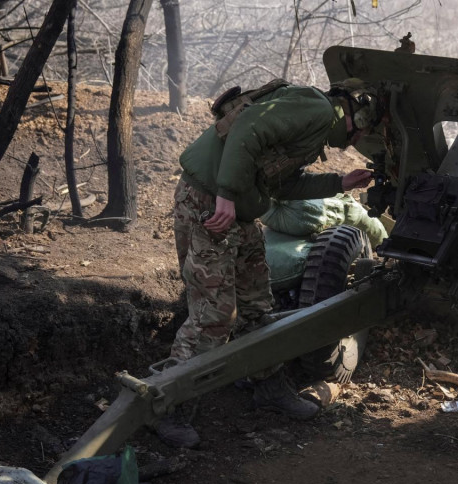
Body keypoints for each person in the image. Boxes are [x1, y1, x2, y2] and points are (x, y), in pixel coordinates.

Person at [154, 78, 379, 448]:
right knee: (214, 314)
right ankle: (169, 407)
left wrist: (341, 182)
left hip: (237, 212)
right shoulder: (317, 108)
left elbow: (282, 185)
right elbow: (248, 126)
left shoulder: (314, 127)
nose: (359, 139)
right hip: (209, 205)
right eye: (364, 130)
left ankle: (269, 387)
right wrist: (227, 195)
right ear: (358, 114)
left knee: (256, 305)